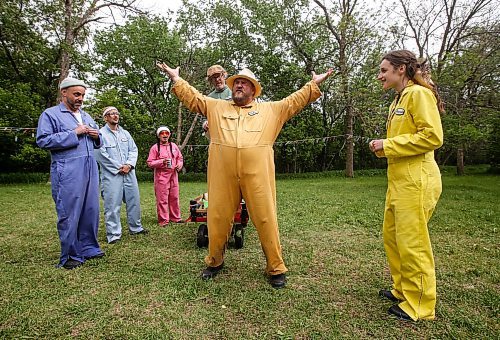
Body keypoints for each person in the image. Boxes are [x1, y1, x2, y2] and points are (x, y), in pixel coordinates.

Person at [156, 63, 333, 288]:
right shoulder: (216, 107)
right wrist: (176, 79)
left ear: (253, 89)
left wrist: (313, 84)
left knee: (266, 218)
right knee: (217, 218)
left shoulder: (271, 110)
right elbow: (194, 98)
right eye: (236, 82)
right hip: (222, 174)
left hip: (258, 176)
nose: (238, 85)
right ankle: (215, 261)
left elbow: (294, 101)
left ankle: (276, 267)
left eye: (244, 83)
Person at [370, 50, 444, 321]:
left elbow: (432, 137)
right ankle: (403, 289)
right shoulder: (398, 101)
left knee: (412, 243)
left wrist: (387, 145)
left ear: (401, 69)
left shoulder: (419, 95)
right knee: (393, 237)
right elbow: (407, 138)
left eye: (384, 70)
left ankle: (420, 305)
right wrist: (384, 147)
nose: (380, 75)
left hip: (417, 180)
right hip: (398, 181)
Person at [36, 77, 105, 270]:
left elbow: (99, 139)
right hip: (68, 169)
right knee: (70, 210)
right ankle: (70, 254)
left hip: (90, 166)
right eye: (76, 94)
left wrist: (96, 135)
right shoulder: (51, 115)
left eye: (83, 95)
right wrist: (74, 133)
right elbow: (43, 140)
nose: (80, 98)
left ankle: (89, 247)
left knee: (90, 209)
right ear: (63, 92)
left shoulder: (86, 115)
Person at [94, 106, 148, 244]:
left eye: (116, 113)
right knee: (112, 204)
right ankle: (113, 234)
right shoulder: (101, 135)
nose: (115, 116)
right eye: (111, 114)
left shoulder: (125, 134)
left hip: (129, 172)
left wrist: (129, 165)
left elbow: (133, 150)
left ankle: (136, 228)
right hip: (112, 175)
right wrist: (118, 167)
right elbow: (100, 155)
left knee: (134, 201)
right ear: (105, 117)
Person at [147, 126, 184, 226]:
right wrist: (161, 162)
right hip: (161, 176)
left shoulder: (174, 146)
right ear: (158, 136)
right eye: (162, 133)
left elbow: (180, 158)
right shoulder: (155, 148)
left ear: (169, 135)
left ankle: (175, 218)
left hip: (174, 175)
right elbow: (150, 163)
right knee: (162, 198)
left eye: (166, 133)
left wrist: (179, 165)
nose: (164, 135)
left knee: (174, 197)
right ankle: (163, 220)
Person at [203, 65, 233, 137]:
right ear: (210, 81)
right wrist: (205, 123)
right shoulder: (209, 98)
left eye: (219, 76)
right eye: (213, 78)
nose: (217, 80)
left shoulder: (234, 92)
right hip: (217, 135)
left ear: (224, 76)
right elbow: (205, 116)